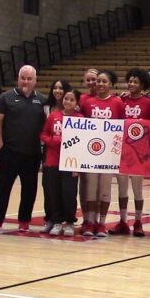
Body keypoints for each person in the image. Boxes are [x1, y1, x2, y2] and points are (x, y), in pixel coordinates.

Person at [0, 65, 47, 233]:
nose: (26, 82)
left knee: (29, 190)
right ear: (18, 78)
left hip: (32, 154)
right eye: (23, 78)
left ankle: (24, 221)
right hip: (9, 153)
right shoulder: (5, 98)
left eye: (29, 79)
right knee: (2, 188)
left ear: (35, 81)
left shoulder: (42, 100)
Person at [79, 70, 125, 237]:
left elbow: (122, 127)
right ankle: (90, 222)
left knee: (104, 189)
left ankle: (101, 223)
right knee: (91, 189)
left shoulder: (118, 103)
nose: (100, 84)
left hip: (109, 154)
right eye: (98, 81)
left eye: (104, 81)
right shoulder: (88, 102)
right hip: (91, 152)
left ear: (111, 84)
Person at [110, 68, 150, 237]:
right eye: (130, 81)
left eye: (135, 82)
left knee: (138, 189)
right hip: (121, 149)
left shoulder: (149, 103)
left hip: (139, 151)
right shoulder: (120, 101)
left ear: (142, 84)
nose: (131, 84)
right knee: (122, 189)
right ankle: (122, 221)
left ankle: (138, 222)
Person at [40, 89, 83, 237]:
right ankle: (56, 221)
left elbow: (83, 142)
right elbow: (44, 134)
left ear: (77, 103)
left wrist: (78, 165)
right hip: (52, 161)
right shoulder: (54, 116)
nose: (68, 102)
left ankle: (70, 222)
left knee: (69, 193)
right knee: (54, 192)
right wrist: (53, 140)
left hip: (71, 162)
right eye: (66, 99)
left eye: (72, 99)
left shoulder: (81, 119)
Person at [40, 79, 71, 234]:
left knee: (66, 189)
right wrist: (52, 141)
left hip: (69, 152)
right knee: (48, 187)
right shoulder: (46, 108)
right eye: (55, 88)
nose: (58, 91)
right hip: (50, 151)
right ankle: (50, 218)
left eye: (61, 88)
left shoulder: (74, 109)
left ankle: (65, 220)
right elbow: (43, 132)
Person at [78, 69, 99, 228]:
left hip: (102, 149)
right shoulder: (81, 99)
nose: (92, 83)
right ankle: (86, 217)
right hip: (85, 148)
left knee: (98, 186)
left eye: (95, 79)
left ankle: (96, 218)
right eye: (89, 80)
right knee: (84, 184)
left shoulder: (110, 99)